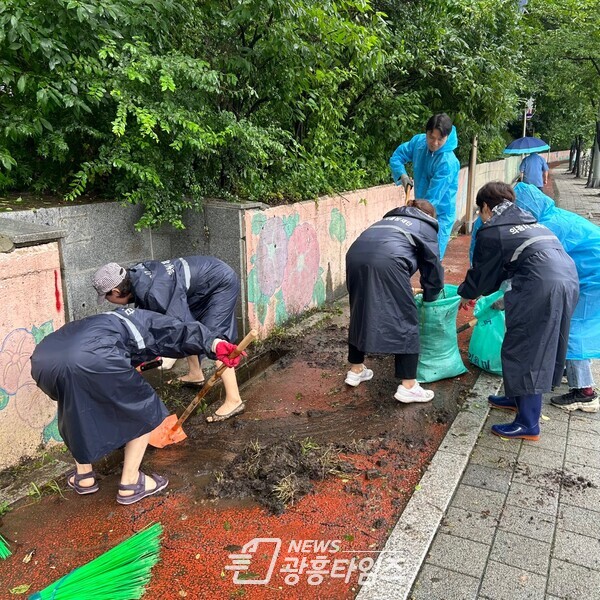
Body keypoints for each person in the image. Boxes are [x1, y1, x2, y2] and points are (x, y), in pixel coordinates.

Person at [30, 307, 243, 505]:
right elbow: (177, 330)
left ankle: (84, 477)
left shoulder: (101, 323)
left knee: (74, 405)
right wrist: (214, 344)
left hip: (43, 361)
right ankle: (131, 483)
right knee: (143, 407)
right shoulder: (142, 320)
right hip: (93, 357)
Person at [458, 182, 579, 440]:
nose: (481, 217)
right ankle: (516, 398)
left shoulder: (493, 230)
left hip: (540, 287)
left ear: (486, 206)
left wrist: (467, 294)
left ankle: (528, 423)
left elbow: (482, 274)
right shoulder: (529, 222)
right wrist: (478, 291)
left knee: (528, 348)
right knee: (520, 342)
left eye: (480, 211)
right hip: (565, 280)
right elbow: (501, 270)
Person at [93, 256, 243, 422]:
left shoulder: (155, 292)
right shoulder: (137, 277)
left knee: (214, 339)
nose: (109, 302)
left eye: (106, 298)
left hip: (219, 282)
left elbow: (181, 327)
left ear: (116, 292)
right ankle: (195, 374)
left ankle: (234, 399)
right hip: (201, 284)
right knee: (187, 327)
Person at [345, 199, 444, 403]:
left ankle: (355, 370)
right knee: (406, 318)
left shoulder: (388, 221)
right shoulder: (425, 226)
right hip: (388, 261)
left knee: (359, 311)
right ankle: (409, 386)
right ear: (430, 216)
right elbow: (432, 265)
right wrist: (431, 295)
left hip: (354, 257)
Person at [514, 183, 599, 412]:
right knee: (571, 324)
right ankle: (566, 367)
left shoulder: (549, 226)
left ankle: (585, 392)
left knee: (574, 329)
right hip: (588, 274)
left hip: (593, 278)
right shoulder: (555, 216)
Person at [389, 113, 460, 259]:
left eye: (440, 139)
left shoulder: (447, 162)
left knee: (432, 257)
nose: (434, 143)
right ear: (426, 132)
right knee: (416, 254)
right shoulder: (419, 142)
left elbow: (432, 200)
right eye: (431, 137)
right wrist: (402, 175)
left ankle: (432, 281)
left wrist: (410, 213)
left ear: (447, 137)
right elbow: (397, 157)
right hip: (419, 209)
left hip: (440, 214)